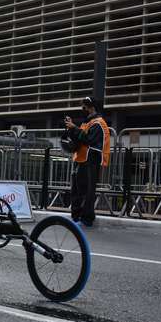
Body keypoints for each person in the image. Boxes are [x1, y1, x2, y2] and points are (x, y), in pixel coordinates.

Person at [64, 96, 110, 227]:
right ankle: (76, 217)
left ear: (91, 107)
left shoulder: (99, 123)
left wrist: (74, 128)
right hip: (81, 159)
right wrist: (71, 128)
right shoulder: (87, 122)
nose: (82, 109)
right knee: (77, 190)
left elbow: (88, 139)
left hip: (90, 161)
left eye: (84, 107)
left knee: (86, 191)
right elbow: (79, 139)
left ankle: (86, 219)